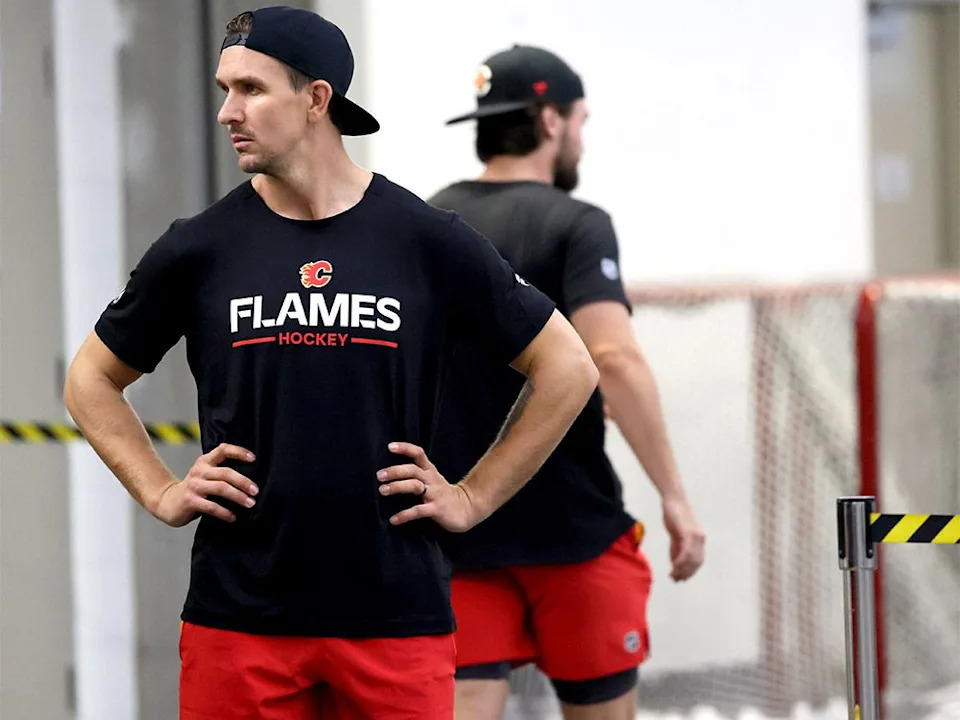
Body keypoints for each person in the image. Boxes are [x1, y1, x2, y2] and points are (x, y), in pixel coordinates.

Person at [62, 11, 599, 720]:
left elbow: (569, 365)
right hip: (240, 623)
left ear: (317, 100)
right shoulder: (199, 248)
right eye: (225, 89)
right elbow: (90, 380)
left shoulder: (424, 240)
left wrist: (473, 496)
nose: (228, 112)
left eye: (250, 89)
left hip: (395, 621)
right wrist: (160, 492)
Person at [429, 45, 706, 720]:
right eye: (580, 118)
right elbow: (613, 359)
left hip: (460, 530)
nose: (581, 133)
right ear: (549, 120)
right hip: (572, 530)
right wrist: (674, 495)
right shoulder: (578, 225)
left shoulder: (431, 221)